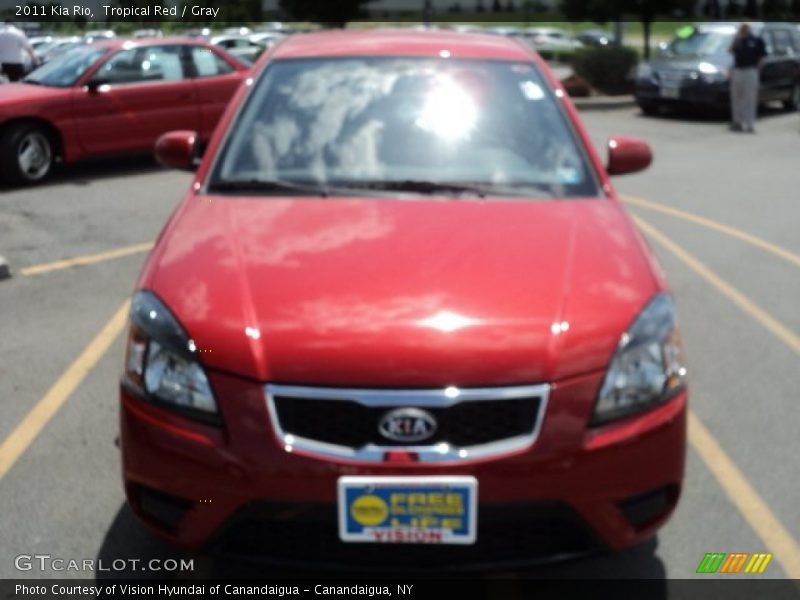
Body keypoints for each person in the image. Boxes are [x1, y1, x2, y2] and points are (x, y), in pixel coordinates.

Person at [728, 23, 767, 133]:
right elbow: (730, 51)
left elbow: (762, 57)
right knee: (736, 97)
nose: (743, 30)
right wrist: (735, 39)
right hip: (738, 70)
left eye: (745, 28)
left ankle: (749, 124)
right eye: (741, 28)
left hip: (751, 71)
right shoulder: (738, 41)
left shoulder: (756, 40)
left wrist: (757, 70)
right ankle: (737, 122)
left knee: (749, 99)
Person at [0, 17, 38, 82]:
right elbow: (28, 47)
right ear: (13, 23)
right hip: (17, 62)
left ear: (5, 23)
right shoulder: (18, 33)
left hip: (4, 63)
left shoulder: (1, 33)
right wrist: (35, 60)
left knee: (6, 81)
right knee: (16, 81)